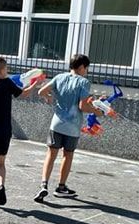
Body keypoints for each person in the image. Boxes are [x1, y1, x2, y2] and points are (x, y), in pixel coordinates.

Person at [34, 53, 103, 202]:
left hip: (56, 123)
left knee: (51, 154)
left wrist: (49, 97)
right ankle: (61, 187)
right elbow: (82, 106)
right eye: (86, 68)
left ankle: (44, 185)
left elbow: (41, 91)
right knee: (67, 155)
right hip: (72, 126)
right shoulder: (84, 82)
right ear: (82, 67)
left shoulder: (59, 77)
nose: (87, 71)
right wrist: (97, 111)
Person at [0, 57, 38, 206]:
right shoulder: (7, 84)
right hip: (4, 130)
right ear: (0, 71)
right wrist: (34, 84)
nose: (8, 71)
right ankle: (1, 185)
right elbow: (23, 93)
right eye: (6, 68)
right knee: (0, 164)